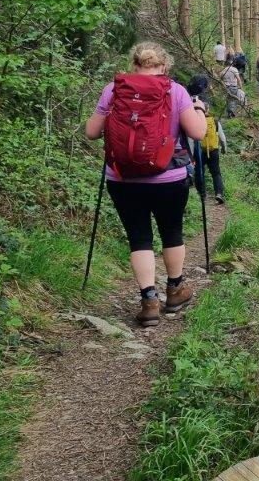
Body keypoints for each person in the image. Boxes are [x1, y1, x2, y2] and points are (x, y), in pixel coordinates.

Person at [85, 42, 207, 328]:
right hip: (169, 178)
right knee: (171, 232)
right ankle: (175, 290)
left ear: (135, 65)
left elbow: (91, 132)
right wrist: (199, 109)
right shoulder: (175, 90)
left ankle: (149, 301)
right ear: (164, 66)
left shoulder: (114, 90)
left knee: (139, 237)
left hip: (122, 178)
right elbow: (197, 132)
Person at [194, 100, 227, 205]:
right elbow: (222, 138)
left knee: (200, 172)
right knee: (216, 173)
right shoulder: (215, 121)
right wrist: (224, 149)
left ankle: (202, 195)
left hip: (200, 151)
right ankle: (219, 193)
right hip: (213, 151)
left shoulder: (196, 121)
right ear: (208, 109)